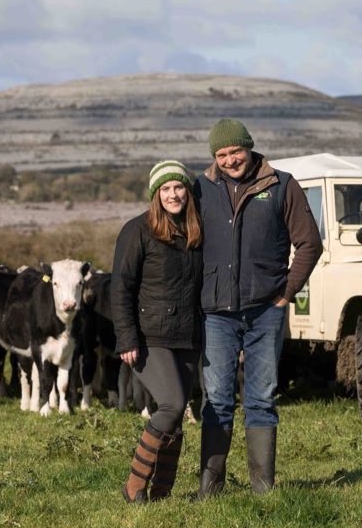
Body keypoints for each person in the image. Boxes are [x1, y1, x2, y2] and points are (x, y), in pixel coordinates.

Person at [195, 118, 323, 497]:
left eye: (236, 151)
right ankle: (210, 488)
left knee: (261, 398)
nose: (230, 160)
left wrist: (286, 292)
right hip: (216, 313)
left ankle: (262, 490)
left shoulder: (282, 185)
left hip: (266, 310)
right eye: (222, 154)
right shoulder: (200, 189)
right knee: (216, 399)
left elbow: (310, 244)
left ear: (249, 147)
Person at [112, 159, 203, 504]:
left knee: (177, 415)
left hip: (189, 334)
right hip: (150, 336)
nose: (173, 194)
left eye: (178, 187)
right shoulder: (137, 230)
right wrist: (126, 337)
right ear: (155, 194)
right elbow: (121, 287)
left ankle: (162, 491)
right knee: (171, 403)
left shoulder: (196, 231)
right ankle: (134, 486)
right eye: (165, 189)